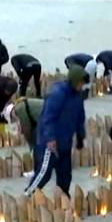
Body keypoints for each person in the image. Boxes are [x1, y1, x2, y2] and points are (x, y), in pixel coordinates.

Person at [24, 66, 88, 198]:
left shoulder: (78, 96)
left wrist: (80, 136)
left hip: (66, 141)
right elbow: (48, 118)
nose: (82, 86)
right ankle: (29, 194)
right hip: (50, 142)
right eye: (81, 83)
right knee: (45, 172)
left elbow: (80, 117)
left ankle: (63, 199)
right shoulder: (58, 94)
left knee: (65, 174)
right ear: (74, 81)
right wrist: (50, 138)